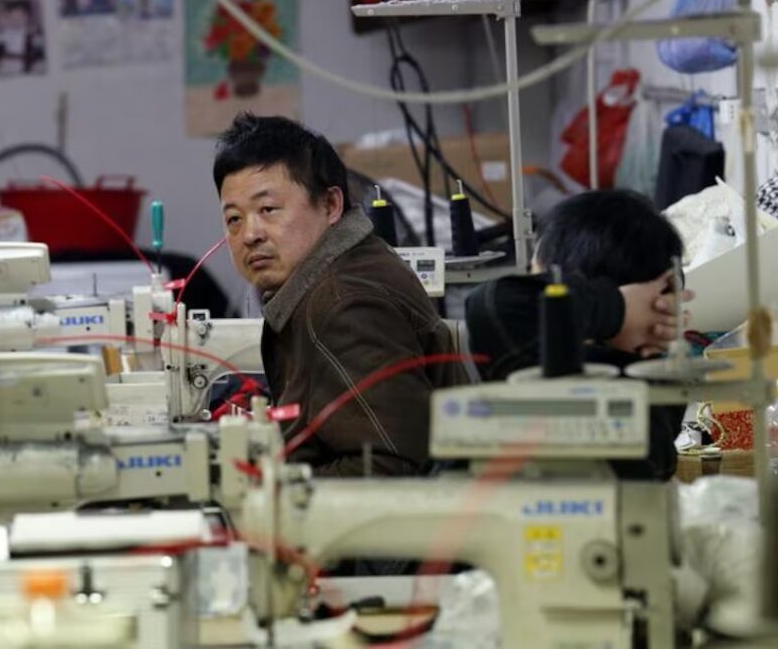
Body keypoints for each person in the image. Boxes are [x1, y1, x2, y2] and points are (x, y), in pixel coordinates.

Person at [214, 113, 469, 477]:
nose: (250, 234)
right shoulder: (346, 269)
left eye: (268, 209)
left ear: (331, 205)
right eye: (234, 219)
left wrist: (267, 493)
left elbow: (390, 467)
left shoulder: (344, 304)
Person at [465, 189, 692, 480]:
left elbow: (491, 302)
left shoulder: (557, 379)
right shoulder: (658, 389)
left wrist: (616, 308)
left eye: (540, 277)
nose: (533, 283)